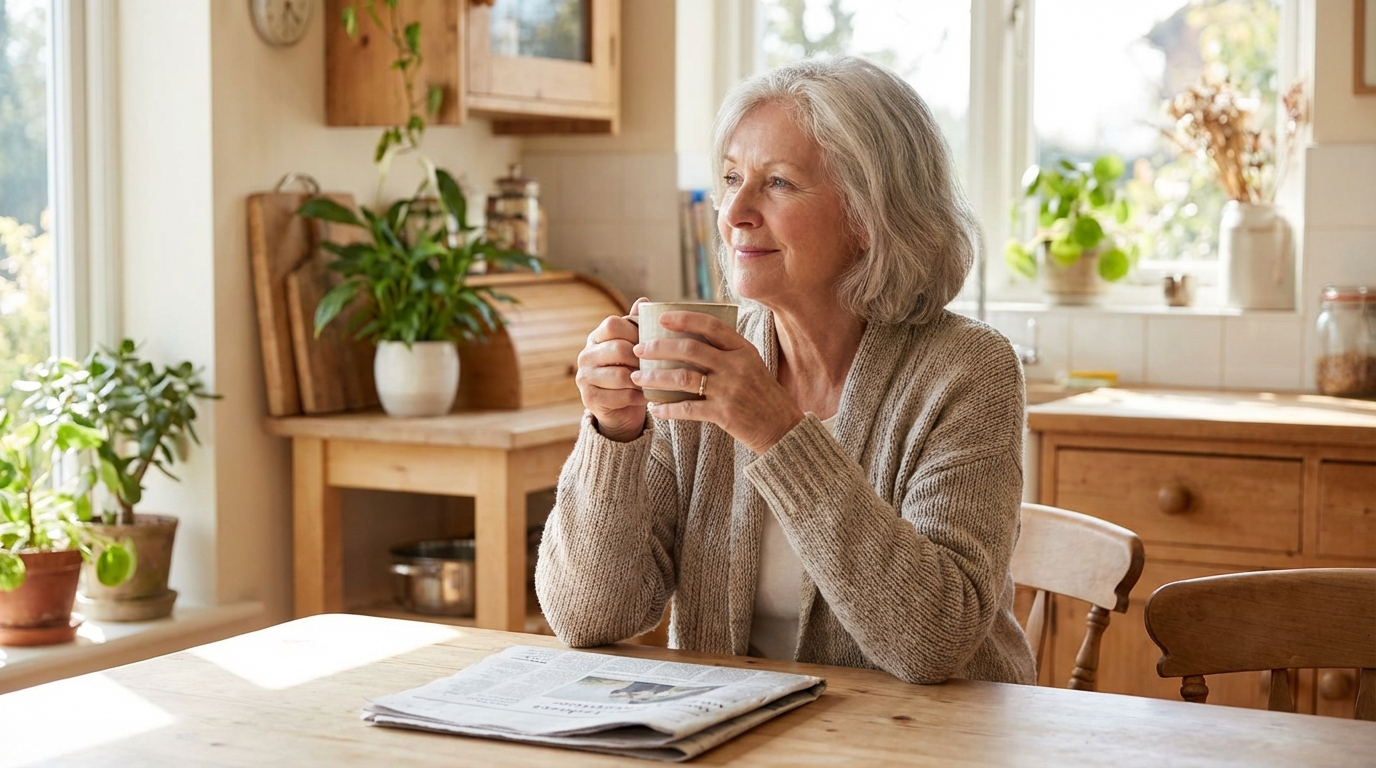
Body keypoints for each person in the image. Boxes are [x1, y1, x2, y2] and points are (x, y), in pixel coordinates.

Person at [535, 55, 1036, 686]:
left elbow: (934, 641)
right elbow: (589, 617)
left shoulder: (968, 371)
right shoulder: (700, 365)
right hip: (735, 734)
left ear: (870, 213)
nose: (734, 212)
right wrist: (613, 436)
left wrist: (777, 432)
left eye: (777, 183)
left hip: (927, 741)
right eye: (731, 178)